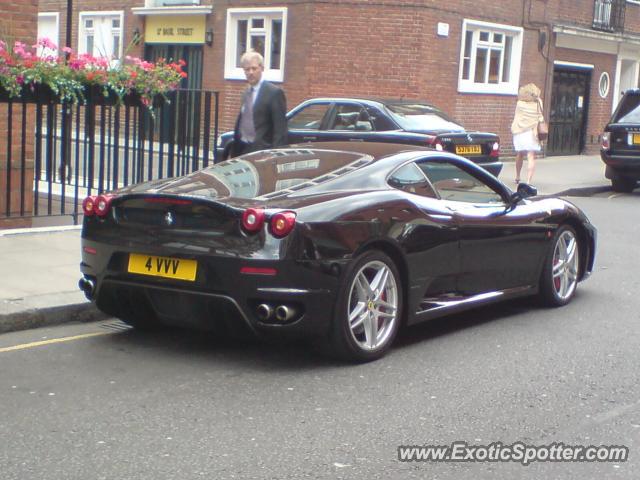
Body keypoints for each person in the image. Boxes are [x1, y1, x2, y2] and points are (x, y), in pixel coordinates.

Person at [232, 51, 288, 157]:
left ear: (261, 68)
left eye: (254, 68)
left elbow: (280, 130)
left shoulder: (273, 93)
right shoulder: (246, 94)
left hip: (262, 152)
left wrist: (276, 155)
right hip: (243, 150)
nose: (251, 72)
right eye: (247, 69)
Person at [511, 83, 545, 184]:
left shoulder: (519, 104)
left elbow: (517, 117)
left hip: (520, 132)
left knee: (520, 154)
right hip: (532, 133)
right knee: (531, 156)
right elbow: (540, 116)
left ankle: (517, 176)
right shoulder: (539, 103)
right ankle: (529, 181)